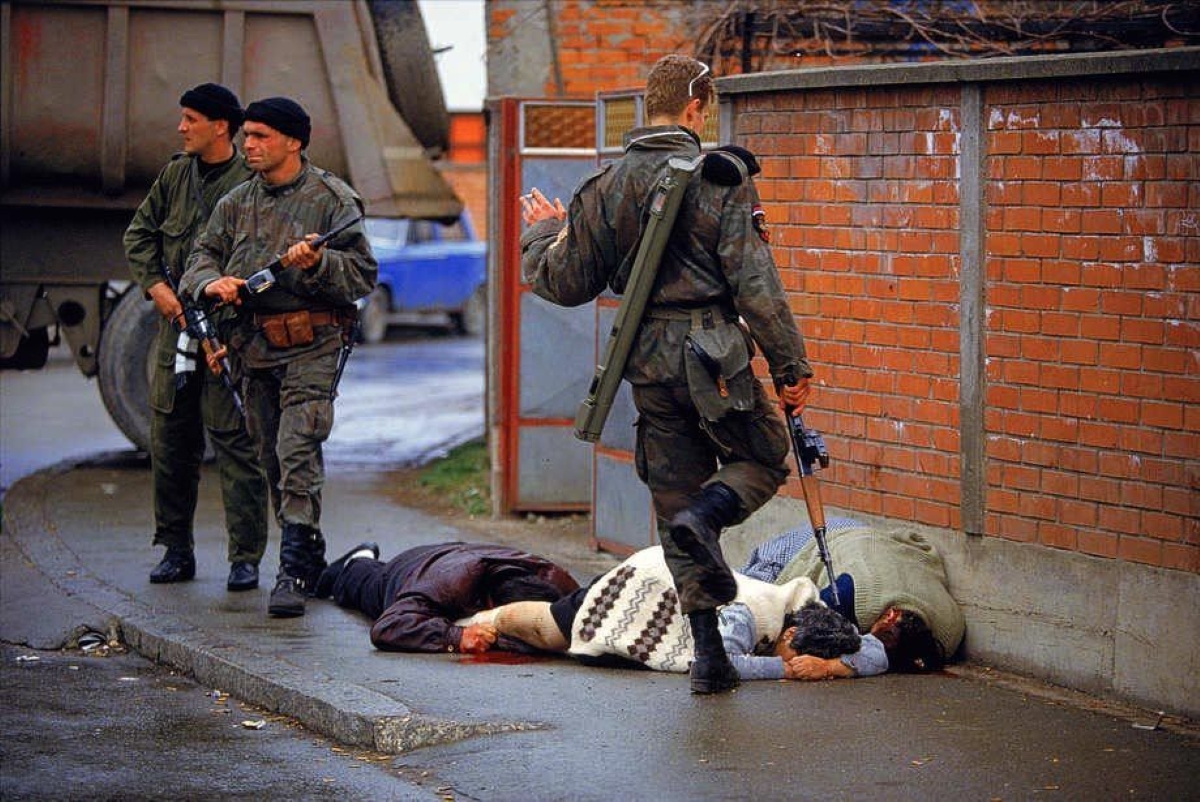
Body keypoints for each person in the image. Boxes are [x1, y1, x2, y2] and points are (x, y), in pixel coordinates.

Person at [519, 55, 814, 694]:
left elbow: (563, 282)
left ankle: (709, 658)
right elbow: (756, 286)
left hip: (645, 357)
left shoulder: (603, 188)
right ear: (695, 109)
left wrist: (543, 232)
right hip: (716, 352)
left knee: (674, 494)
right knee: (762, 459)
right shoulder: (721, 179)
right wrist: (790, 366)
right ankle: (709, 519)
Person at [180, 97, 377, 618]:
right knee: (269, 454)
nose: (249, 145)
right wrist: (209, 281)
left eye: (261, 136)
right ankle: (309, 550)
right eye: (246, 135)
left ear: (293, 141)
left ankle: (290, 570)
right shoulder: (235, 203)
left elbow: (361, 275)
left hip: (312, 343)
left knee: (297, 448)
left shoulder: (332, 199)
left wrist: (316, 265)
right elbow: (200, 258)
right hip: (251, 346)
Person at [123, 83, 269, 592]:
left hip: (228, 340)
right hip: (177, 335)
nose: (181, 127)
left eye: (190, 119)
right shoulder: (175, 176)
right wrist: (158, 289)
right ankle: (174, 549)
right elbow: (139, 236)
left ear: (220, 126)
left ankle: (245, 557)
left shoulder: (252, 183)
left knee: (236, 446)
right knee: (171, 445)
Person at [483, 544, 887, 682]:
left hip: (686, 582)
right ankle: (474, 618)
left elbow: (877, 651)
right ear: (789, 639)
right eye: (798, 656)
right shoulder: (749, 616)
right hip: (647, 587)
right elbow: (715, 664)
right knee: (543, 629)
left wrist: (830, 668)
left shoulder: (819, 618)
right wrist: (787, 670)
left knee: (550, 636)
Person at [740, 518, 963, 674]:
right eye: (871, 640)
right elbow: (794, 621)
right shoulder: (847, 598)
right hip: (830, 535)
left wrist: (831, 666)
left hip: (876, 540)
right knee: (757, 586)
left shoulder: (947, 633)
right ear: (890, 614)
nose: (869, 648)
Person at [313, 541, 579, 654]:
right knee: (356, 582)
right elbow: (387, 626)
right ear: (490, 605)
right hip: (406, 572)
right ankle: (357, 559)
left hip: (458, 553)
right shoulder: (447, 585)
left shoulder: (555, 580)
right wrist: (455, 637)